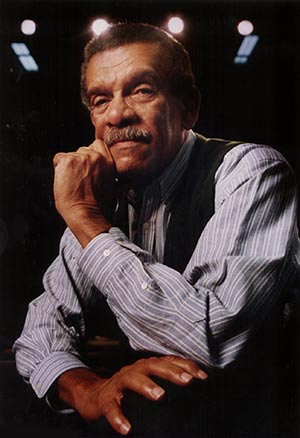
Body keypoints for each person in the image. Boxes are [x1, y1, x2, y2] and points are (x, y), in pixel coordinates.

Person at [13, 22, 300, 437]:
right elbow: (39, 333)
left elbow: (207, 337)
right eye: (100, 100)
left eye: (141, 90)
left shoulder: (250, 171)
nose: (117, 114)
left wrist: (87, 221)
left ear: (188, 106)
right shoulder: (105, 197)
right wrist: (88, 390)